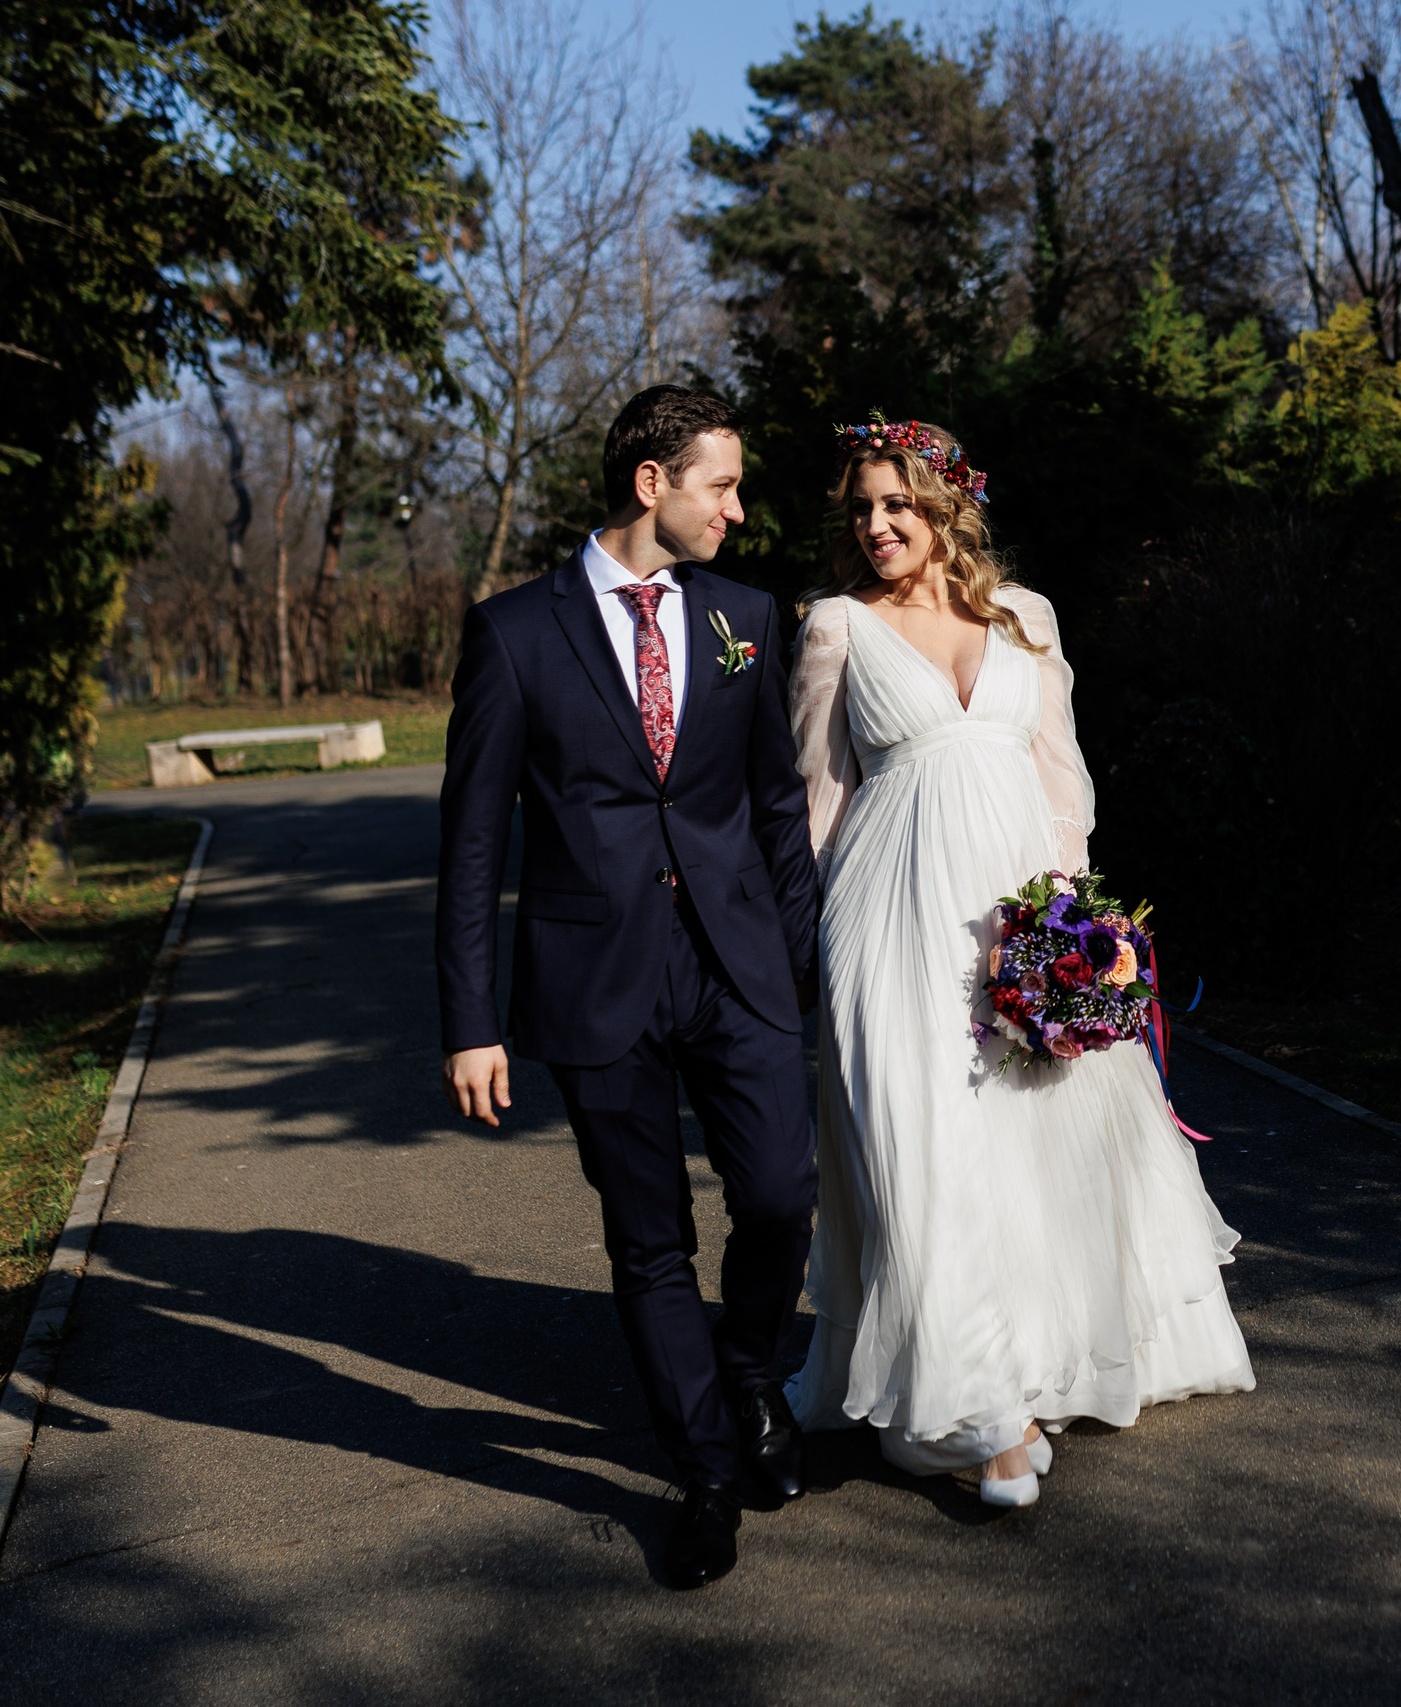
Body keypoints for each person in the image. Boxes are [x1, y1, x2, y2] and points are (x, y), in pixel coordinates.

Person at [785, 417, 1253, 1506]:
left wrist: (1074, 931)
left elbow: (1061, 781)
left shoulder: (1024, 618)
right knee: (923, 1140)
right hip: (889, 915)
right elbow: (817, 801)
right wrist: (805, 946)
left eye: (897, 503)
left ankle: (1035, 1365)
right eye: (861, 508)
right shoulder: (835, 627)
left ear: (947, 507)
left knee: (1035, 1140)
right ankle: (984, 1411)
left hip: (1018, 912)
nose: (876, 525)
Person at [435, 385, 821, 1590]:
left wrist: (800, 961)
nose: (737, 510)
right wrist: (472, 1022)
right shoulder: (513, 631)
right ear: (652, 483)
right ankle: (705, 1473)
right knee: (649, 1240)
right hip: (594, 978)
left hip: (738, 964)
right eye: (723, 486)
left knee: (781, 1195)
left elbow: (775, 805)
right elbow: (473, 843)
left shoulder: (746, 615)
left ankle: (749, 1374)